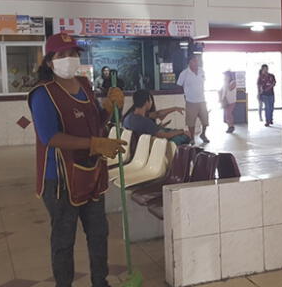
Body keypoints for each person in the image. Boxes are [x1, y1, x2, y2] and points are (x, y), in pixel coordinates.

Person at [28, 33, 127, 287]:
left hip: (91, 173)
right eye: (62, 55)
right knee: (64, 240)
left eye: (73, 54)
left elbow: (94, 124)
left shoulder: (84, 85)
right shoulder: (43, 94)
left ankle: (100, 282)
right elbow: (50, 136)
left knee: (98, 233)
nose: (69, 59)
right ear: (50, 61)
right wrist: (94, 144)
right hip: (60, 180)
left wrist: (108, 108)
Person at [124, 90, 191, 145]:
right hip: (149, 148)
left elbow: (158, 114)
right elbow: (165, 135)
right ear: (146, 102)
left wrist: (175, 108)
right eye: (150, 100)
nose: (151, 102)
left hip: (137, 146)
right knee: (183, 137)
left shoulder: (129, 117)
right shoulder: (145, 122)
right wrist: (182, 131)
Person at [177, 55, 210, 144]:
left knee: (205, 120)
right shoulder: (184, 73)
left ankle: (203, 134)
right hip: (191, 101)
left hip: (202, 100)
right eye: (194, 61)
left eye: (197, 61)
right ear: (189, 62)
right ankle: (192, 138)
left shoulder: (201, 71)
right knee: (191, 122)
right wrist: (185, 95)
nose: (196, 63)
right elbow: (179, 85)